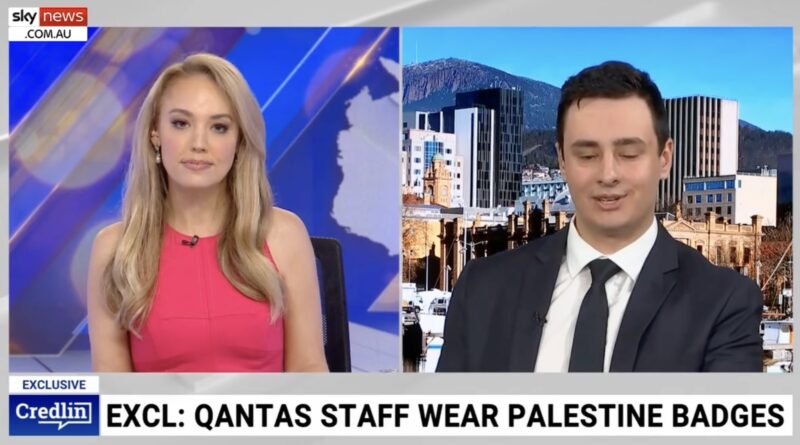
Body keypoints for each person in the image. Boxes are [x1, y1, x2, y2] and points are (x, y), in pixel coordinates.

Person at [437, 61, 763, 372]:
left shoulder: (723, 303)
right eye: (587, 155)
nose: (608, 174)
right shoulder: (483, 289)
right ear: (562, 160)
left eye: (629, 154)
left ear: (664, 159)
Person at [87, 53, 328, 372]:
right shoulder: (115, 249)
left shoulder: (284, 235)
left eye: (219, 127)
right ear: (154, 134)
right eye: (181, 123)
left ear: (239, 139)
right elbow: (112, 390)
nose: (199, 143)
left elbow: (309, 370)